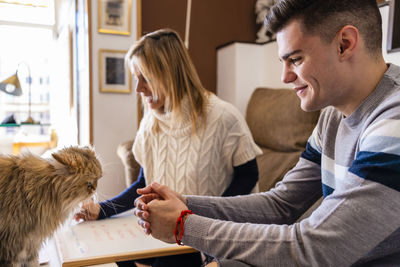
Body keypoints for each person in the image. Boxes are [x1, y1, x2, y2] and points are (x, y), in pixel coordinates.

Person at [133, 1, 400, 266]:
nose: (284, 77)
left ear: (344, 43)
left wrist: (183, 225)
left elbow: (315, 246)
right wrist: (186, 202)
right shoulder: (332, 115)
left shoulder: (393, 121)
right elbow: (280, 204)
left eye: (295, 59)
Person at [74, 28, 262, 267]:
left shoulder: (223, 117)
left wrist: (205, 223)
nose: (138, 89)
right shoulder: (150, 121)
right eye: (136, 78)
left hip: (204, 237)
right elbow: (143, 184)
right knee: (115, 257)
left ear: (170, 74)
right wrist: (102, 209)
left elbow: (249, 177)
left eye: (145, 78)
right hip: (163, 232)